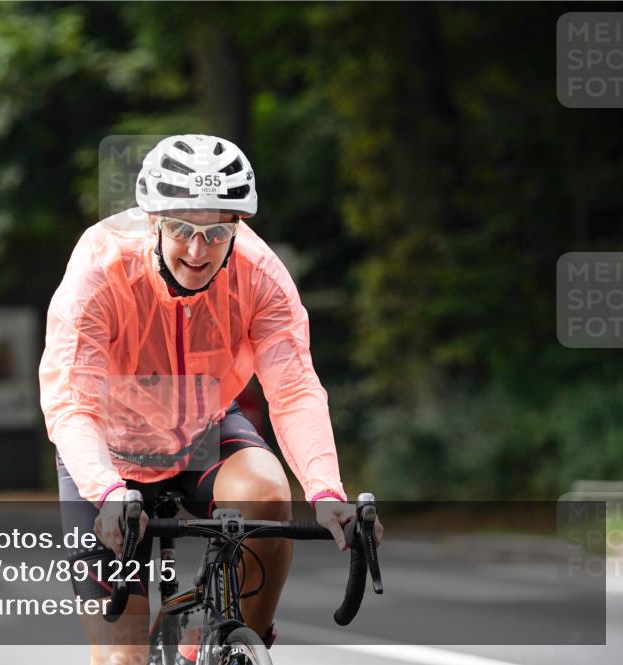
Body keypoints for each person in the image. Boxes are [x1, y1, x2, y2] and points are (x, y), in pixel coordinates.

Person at [39, 134, 382, 664]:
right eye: (181, 229)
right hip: (105, 451)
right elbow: (70, 400)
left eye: (217, 232)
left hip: (198, 428)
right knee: (121, 657)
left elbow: (292, 389)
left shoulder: (259, 275)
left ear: (238, 228)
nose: (197, 251)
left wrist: (326, 490)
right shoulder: (100, 269)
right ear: (153, 219)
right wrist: (105, 490)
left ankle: (230, 646)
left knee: (267, 492)